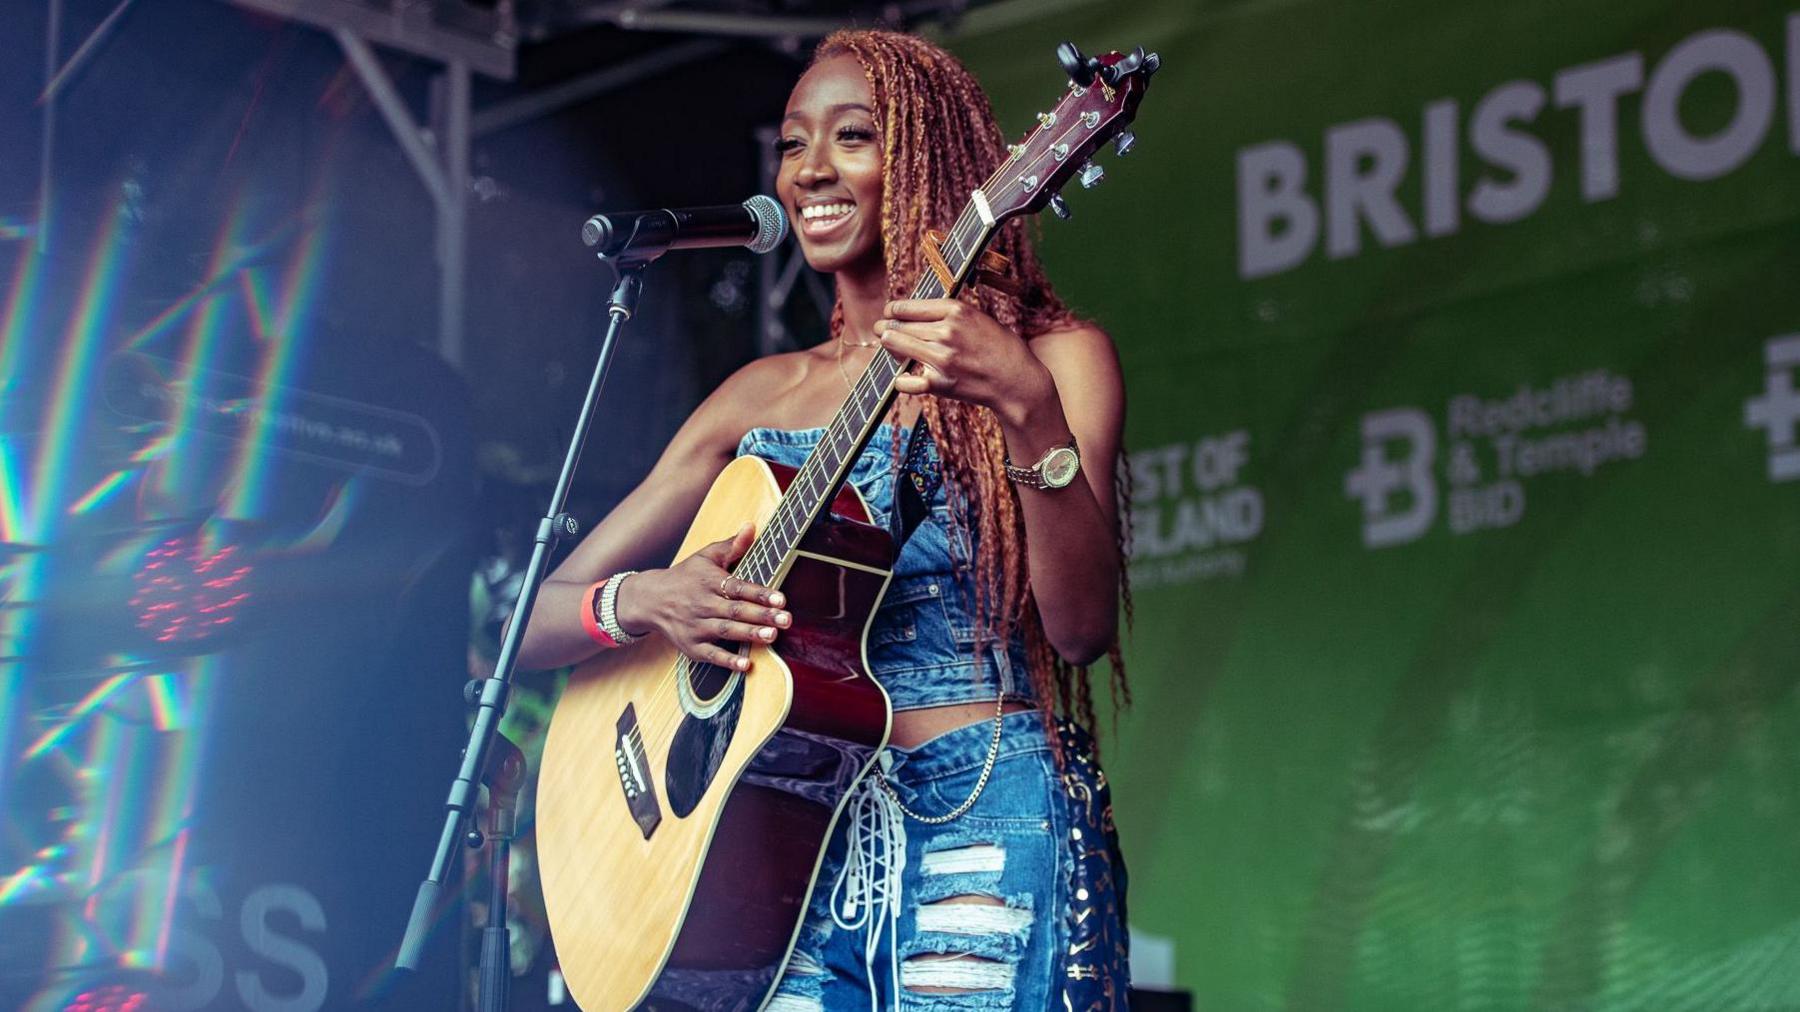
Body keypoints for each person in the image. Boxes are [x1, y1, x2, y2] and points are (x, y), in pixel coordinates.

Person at [519, 28, 1130, 1010]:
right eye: (792, 144)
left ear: (928, 159)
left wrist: (1025, 409)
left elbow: (1081, 627)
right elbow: (536, 621)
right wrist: (649, 599)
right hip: (795, 851)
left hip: (984, 812)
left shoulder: (1051, 360)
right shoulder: (758, 394)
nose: (810, 170)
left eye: (851, 137)